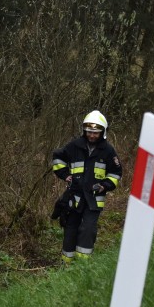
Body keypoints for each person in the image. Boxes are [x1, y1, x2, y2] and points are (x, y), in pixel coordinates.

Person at [51, 110, 122, 263]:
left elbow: (116, 172)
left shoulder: (108, 151)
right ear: (84, 130)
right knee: (71, 229)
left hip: (94, 199)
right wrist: (65, 175)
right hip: (75, 197)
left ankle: (83, 264)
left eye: (95, 133)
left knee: (88, 229)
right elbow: (57, 157)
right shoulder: (74, 146)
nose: (91, 135)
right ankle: (66, 263)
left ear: (102, 132)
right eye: (89, 132)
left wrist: (105, 185)